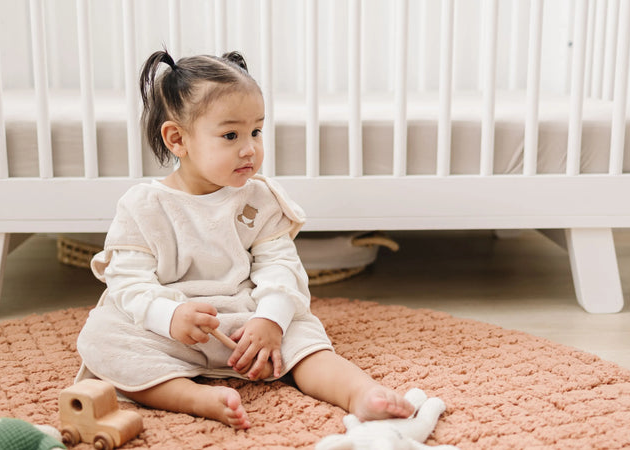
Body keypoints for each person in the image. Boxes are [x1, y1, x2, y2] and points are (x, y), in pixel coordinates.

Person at [75, 48, 414, 429]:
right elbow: (128, 280)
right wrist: (168, 316)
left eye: (256, 131)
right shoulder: (144, 206)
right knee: (105, 337)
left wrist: (270, 319)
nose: (249, 147)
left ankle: (359, 393)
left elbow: (280, 265)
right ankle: (193, 397)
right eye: (231, 135)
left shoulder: (260, 199)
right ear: (177, 139)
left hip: (247, 317)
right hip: (173, 326)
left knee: (303, 334)